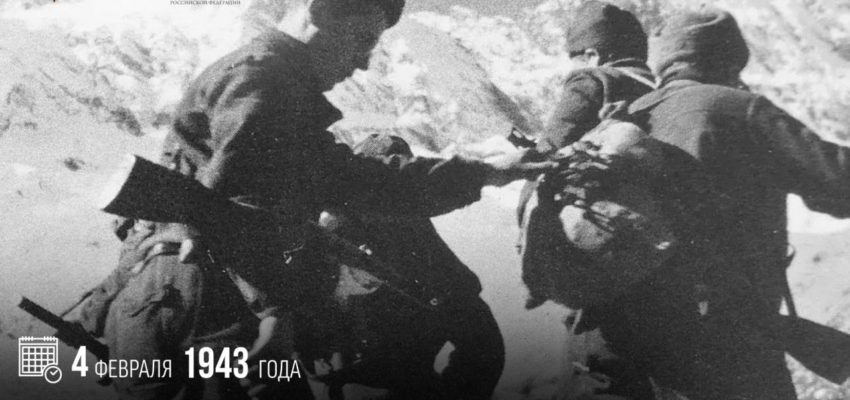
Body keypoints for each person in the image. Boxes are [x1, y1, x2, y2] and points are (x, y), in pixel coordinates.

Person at [71, 1, 553, 399]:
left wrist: (484, 172)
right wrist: (273, 314)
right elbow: (244, 205)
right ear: (318, 12)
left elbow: (361, 182)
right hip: (205, 310)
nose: (363, 62)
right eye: (361, 40)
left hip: (184, 304)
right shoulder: (264, 83)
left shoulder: (271, 85)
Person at [607, 7, 850, 399]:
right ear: (730, 59)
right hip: (733, 344)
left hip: (640, 346)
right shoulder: (737, 108)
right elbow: (838, 182)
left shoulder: (628, 118)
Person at [519, 3, 658, 399]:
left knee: (597, 371)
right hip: (658, 252)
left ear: (594, 54)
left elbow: (545, 158)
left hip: (601, 253)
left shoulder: (592, 81)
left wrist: (533, 264)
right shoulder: (662, 92)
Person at [313, 134, 504, 400]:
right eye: (393, 164)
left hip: (435, 306)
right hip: (387, 325)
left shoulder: (405, 207)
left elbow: (481, 342)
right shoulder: (339, 221)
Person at [534, 0, 654, 154]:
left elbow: (552, 144)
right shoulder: (654, 88)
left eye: (576, 62)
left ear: (592, 56)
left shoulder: (591, 79)